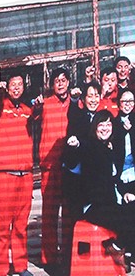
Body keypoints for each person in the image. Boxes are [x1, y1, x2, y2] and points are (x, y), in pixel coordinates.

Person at [64, 110, 135, 273]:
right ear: (94, 127)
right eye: (101, 124)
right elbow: (72, 159)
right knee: (129, 218)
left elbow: (114, 179)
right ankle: (119, 249)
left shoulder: (110, 148)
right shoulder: (91, 146)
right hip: (93, 206)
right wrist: (74, 146)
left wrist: (125, 193)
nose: (105, 128)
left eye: (108, 124)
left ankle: (119, 248)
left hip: (109, 203)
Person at [0, 71, 34, 276]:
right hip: (4, 175)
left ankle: (20, 266)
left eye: (19, 84)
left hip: (25, 175)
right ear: (7, 88)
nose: (16, 88)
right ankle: (0, 269)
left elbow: (41, 113)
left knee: (21, 225)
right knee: (1, 226)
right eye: (12, 85)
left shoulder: (27, 110)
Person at [32, 68, 71, 273]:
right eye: (57, 81)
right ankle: (49, 259)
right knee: (49, 214)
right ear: (52, 85)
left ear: (69, 82)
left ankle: (67, 256)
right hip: (49, 167)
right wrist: (35, 104)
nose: (61, 84)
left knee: (69, 214)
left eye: (64, 80)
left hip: (70, 167)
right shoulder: (45, 104)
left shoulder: (76, 103)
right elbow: (31, 114)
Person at [61, 81, 101, 270]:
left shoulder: (102, 117)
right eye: (90, 96)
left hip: (95, 179)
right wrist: (73, 99)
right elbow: (72, 113)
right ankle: (70, 265)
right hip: (77, 178)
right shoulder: (79, 115)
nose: (93, 99)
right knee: (76, 221)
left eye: (96, 95)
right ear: (84, 99)